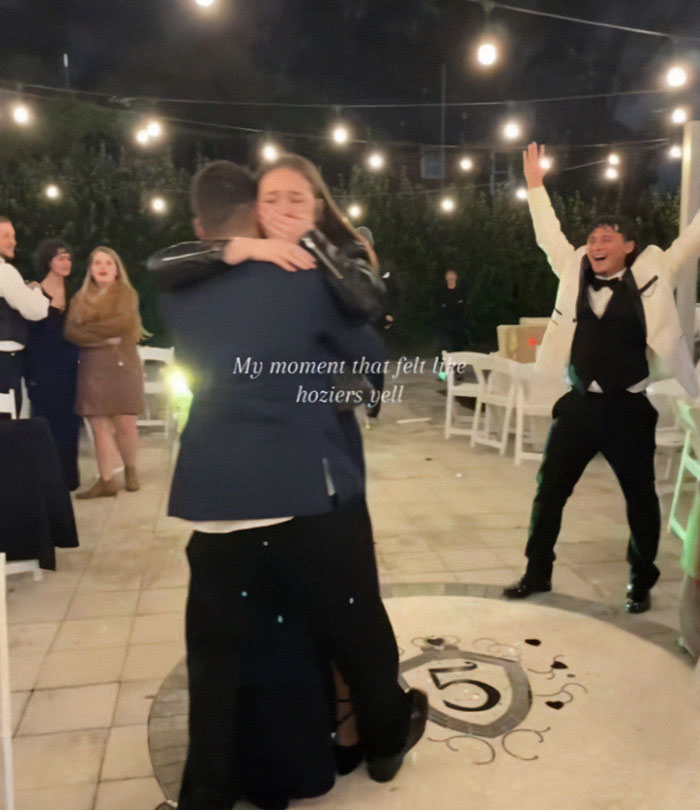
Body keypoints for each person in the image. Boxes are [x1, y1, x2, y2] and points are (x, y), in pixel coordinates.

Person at [151, 160, 427, 810]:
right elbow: (372, 359)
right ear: (254, 211)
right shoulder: (300, 279)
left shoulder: (179, 288)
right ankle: (384, 738)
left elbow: (171, 288)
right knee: (355, 619)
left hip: (214, 499)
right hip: (300, 489)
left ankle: (207, 795)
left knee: (213, 664)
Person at [503, 142, 700, 614]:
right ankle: (536, 572)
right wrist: (535, 186)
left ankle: (641, 580)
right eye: (593, 238)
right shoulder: (571, 270)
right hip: (579, 405)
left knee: (640, 500)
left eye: (608, 238)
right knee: (549, 493)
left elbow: (691, 239)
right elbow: (548, 235)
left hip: (630, 408)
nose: (596, 245)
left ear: (629, 247)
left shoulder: (652, 271)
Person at [64, 247, 147, 498]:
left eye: (108, 263)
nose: (102, 267)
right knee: (99, 426)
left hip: (122, 365)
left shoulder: (127, 294)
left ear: (116, 269)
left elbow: (122, 324)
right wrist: (101, 339)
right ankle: (107, 480)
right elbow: (71, 332)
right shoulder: (80, 299)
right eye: (97, 262)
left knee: (126, 423)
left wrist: (89, 328)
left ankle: (130, 469)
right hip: (93, 367)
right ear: (90, 269)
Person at [24, 240, 81, 490]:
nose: (66, 262)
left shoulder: (76, 293)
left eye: (68, 258)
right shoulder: (35, 293)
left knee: (70, 422)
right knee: (47, 423)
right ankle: (48, 480)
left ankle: (69, 478)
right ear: (49, 261)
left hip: (71, 368)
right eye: (60, 258)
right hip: (43, 367)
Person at [0, 216, 50, 414]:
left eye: (13, 236)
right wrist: (36, 291)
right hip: (4, 358)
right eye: (6, 236)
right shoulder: (4, 271)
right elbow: (36, 311)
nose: (14, 241)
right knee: (7, 423)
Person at [436, 268, 467, 353]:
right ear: (446, 277)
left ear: (456, 277)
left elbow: (464, 307)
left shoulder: (461, 291)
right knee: (445, 344)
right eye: (449, 275)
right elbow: (439, 308)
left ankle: (459, 362)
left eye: (452, 275)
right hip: (445, 323)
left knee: (458, 344)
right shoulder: (442, 292)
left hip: (458, 323)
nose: (451, 277)